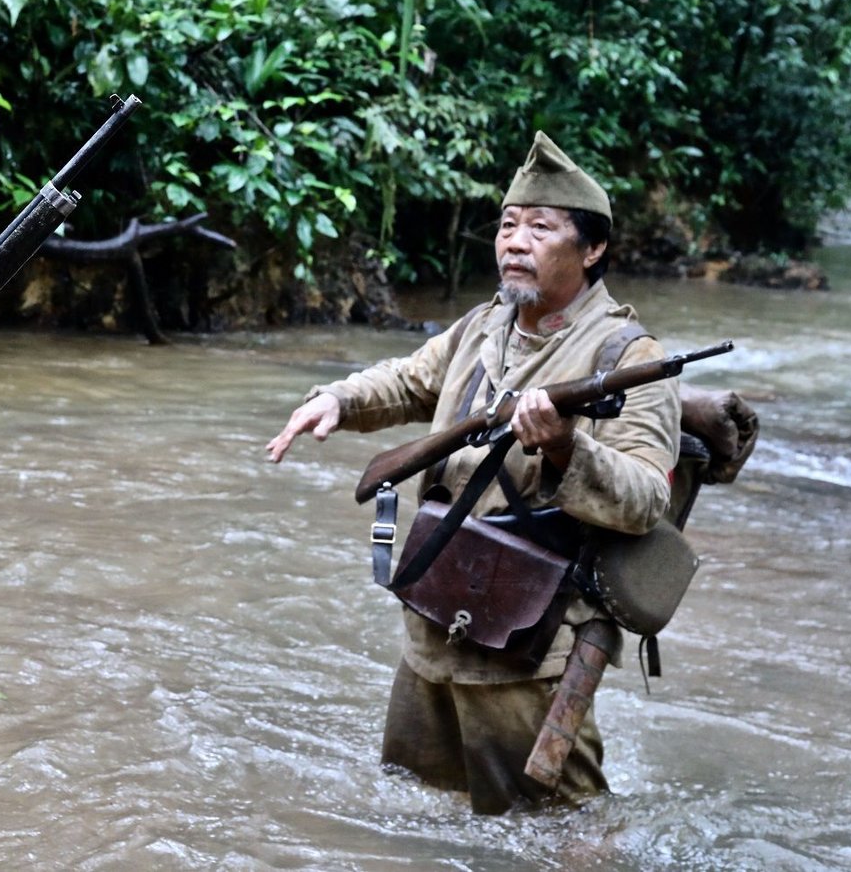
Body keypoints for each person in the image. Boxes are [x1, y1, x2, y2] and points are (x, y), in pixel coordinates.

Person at [266, 132, 680, 814]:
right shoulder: (484, 325)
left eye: (540, 228)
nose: (514, 242)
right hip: (433, 620)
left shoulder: (630, 354)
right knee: (417, 809)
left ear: (593, 249)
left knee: (559, 833)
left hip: (530, 643)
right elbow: (407, 380)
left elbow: (642, 501)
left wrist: (566, 447)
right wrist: (337, 399)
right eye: (508, 226)